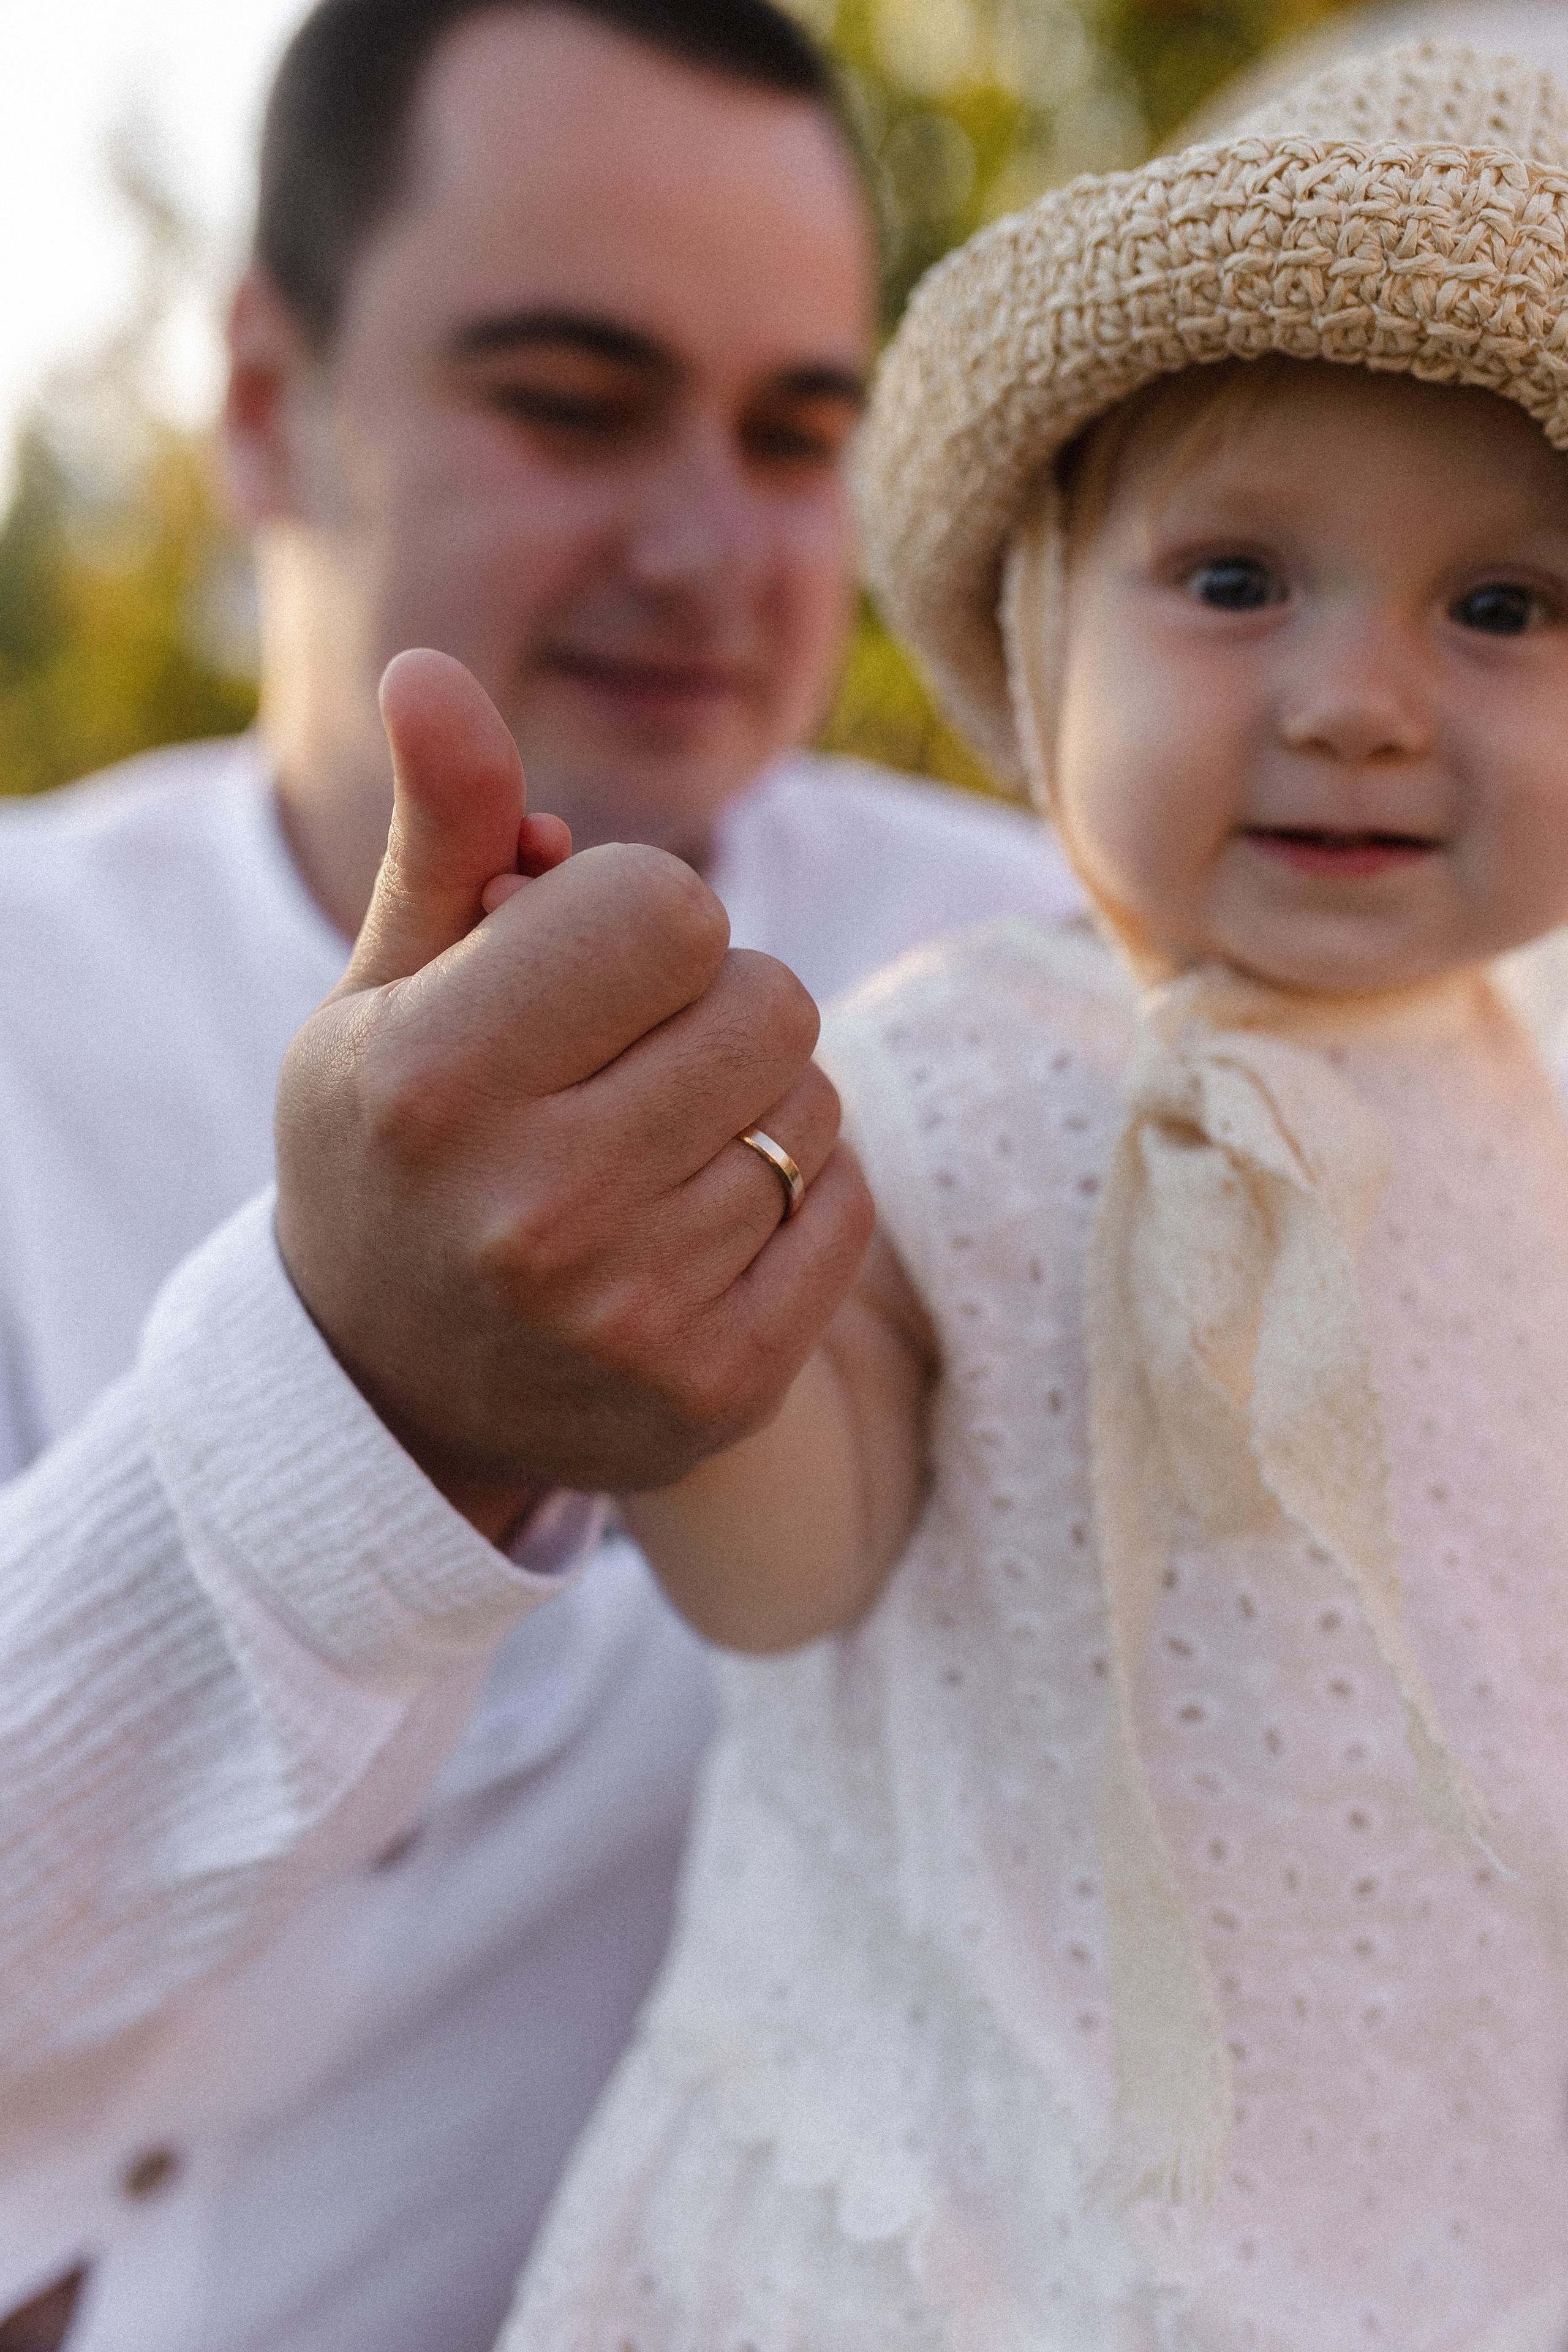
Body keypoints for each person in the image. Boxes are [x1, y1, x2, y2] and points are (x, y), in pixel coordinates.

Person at [0, 0, 1082, 2344]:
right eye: (572, 403)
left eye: (800, 434)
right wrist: (354, 1393)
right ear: (273, 403)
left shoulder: (1052, 998)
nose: (708, 546)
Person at [501, 39, 1568, 2349]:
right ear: (1045, 617)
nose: (1363, 701)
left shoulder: (1546, 1108)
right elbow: (792, 1571)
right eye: (1237, 577)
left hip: (1446, 2192)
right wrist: (683, 1321)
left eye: (1505, 611)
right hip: (970, 2198)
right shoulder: (963, 1075)